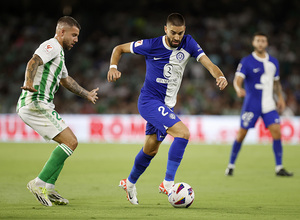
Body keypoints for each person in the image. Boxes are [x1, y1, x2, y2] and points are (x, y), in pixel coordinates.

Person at [107, 13, 228, 205]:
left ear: (184, 31)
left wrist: (219, 75)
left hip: (166, 105)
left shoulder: (188, 43)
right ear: (165, 29)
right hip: (149, 101)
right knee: (183, 134)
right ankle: (168, 183)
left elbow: (208, 63)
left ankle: (129, 183)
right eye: (173, 32)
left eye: (180, 33)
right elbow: (119, 48)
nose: (177, 37)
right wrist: (113, 66)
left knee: (150, 150)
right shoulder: (150, 45)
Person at [17, 16, 99, 206]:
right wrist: (29, 83)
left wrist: (86, 94)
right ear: (62, 32)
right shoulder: (52, 45)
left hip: (41, 104)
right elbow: (33, 61)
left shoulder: (59, 54)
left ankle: (49, 188)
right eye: (74, 35)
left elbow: (65, 80)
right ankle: (38, 183)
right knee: (71, 141)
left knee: (68, 143)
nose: (76, 39)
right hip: (36, 102)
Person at [225, 32, 293, 177]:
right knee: (241, 134)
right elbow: (237, 79)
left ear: (267, 44)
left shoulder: (273, 62)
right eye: (258, 40)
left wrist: (280, 98)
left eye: (263, 41)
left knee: (277, 132)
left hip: (269, 104)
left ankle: (279, 167)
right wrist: (238, 89)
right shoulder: (246, 61)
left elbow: (276, 82)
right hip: (252, 104)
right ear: (253, 43)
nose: (261, 43)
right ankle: (231, 165)